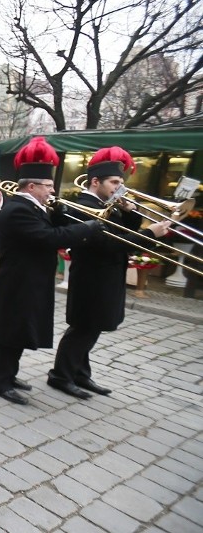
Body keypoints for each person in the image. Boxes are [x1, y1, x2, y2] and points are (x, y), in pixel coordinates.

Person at [0, 136, 103, 405]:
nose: (52, 190)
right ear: (33, 186)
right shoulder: (18, 209)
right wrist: (86, 229)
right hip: (19, 281)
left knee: (19, 330)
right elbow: (49, 238)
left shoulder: (33, 207)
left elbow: (50, 230)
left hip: (30, 280)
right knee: (10, 332)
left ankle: (8, 374)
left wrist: (62, 214)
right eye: (48, 186)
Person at [48, 147, 170, 399]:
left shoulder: (107, 205)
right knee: (83, 328)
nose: (119, 187)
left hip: (107, 275)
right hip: (92, 277)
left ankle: (80, 373)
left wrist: (128, 212)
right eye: (114, 182)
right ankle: (60, 375)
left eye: (121, 182)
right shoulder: (84, 206)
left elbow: (125, 232)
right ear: (95, 182)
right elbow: (110, 243)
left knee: (93, 328)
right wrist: (150, 234)